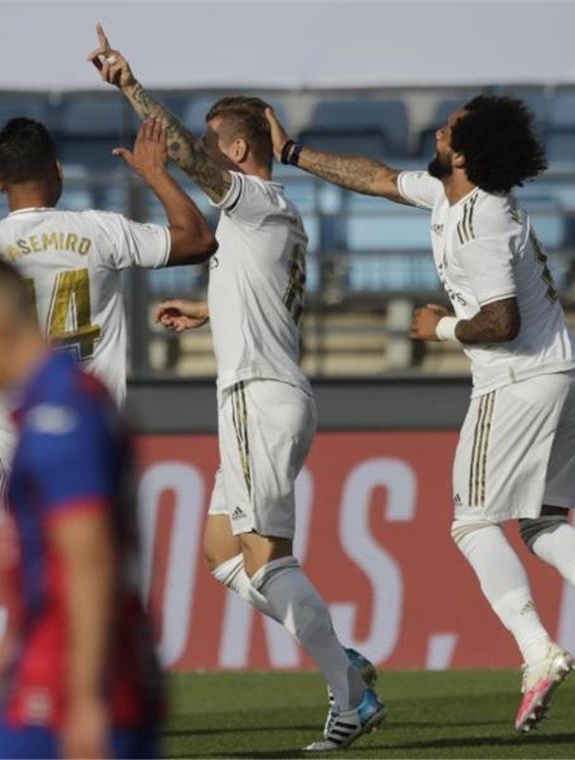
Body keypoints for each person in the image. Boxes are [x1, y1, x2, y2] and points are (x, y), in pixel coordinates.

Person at [265, 96, 575, 731]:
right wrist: (294, 153)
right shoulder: (453, 195)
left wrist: (440, 329)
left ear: (462, 153)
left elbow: (503, 319)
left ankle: (538, 651)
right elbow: (379, 179)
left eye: (449, 128)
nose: (437, 130)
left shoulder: (479, 220)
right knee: (542, 522)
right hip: (570, 375)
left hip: (518, 381)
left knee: (471, 524)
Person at [88, 25, 384, 751]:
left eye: (217, 141)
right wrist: (204, 309)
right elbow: (261, 301)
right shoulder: (259, 220)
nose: (206, 153)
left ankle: (347, 699)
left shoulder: (253, 197)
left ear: (241, 151)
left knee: (268, 557)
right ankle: (342, 664)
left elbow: (187, 157)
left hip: (259, 395)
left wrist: (131, 86)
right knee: (224, 552)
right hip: (259, 391)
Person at [0, 251, 162, 759]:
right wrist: (14, 641)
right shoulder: (64, 399)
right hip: (56, 663)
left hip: (70, 682)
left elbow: (90, 558)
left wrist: (88, 697)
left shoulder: (58, 415)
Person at [0, 115, 216, 493]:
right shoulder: (101, 230)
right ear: (58, 170)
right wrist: (154, 172)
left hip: (23, 452)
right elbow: (199, 240)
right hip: (95, 439)